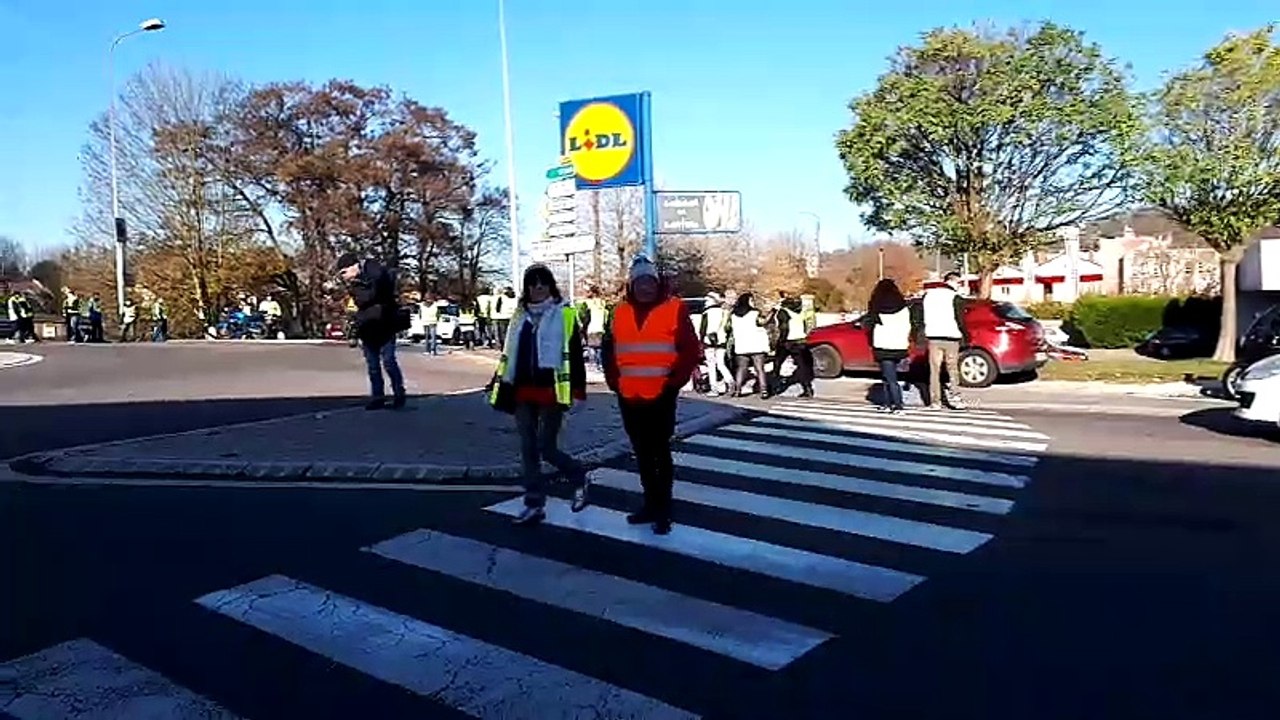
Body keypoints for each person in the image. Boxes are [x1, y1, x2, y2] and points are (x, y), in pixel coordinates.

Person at [603, 256, 701, 535]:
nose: (645, 287)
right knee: (642, 454)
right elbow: (609, 350)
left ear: (657, 283)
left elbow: (690, 350)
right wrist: (614, 380)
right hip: (629, 395)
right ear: (631, 285)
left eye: (649, 281)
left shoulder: (674, 308)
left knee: (659, 452)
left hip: (661, 394)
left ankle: (663, 509)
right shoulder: (619, 311)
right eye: (639, 282)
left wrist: (673, 383)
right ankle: (649, 504)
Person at [488, 264, 590, 525]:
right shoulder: (519, 316)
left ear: (550, 286)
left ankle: (578, 475)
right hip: (521, 389)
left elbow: (575, 356)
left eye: (543, 283)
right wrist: (496, 381)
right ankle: (534, 503)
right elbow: (509, 352)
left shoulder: (564, 314)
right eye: (532, 284)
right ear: (527, 288)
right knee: (528, 448)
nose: (538, 288)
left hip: (551, 390)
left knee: (547, 447)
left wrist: (579, 390)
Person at [335, 252, 406, 410]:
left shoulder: (374, 270)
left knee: (389, 361)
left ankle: (399, 393)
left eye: (344, 272)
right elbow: (364, 299)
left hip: (385, 324)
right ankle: (377, 397)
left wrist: (374, 283)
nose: (344, 277)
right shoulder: (354, 286)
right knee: (373, 365)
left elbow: (383, 282)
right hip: (367, 326)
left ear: (354, 266)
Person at [921, 271, 969, 410]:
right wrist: (965, 336)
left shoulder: (929, 295)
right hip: (951, 336)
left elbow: (920, 315)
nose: (959, 286)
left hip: (933, 336)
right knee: (952, 369)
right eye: (959, 282)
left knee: (934, 370)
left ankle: (935, 401)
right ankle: (955, 398)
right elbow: (960, 319)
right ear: (953, 281)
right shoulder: (955, 297)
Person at [866, 278, 913, 413]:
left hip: (882, 344)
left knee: (889, 377)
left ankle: (897, 404)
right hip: (898, 344)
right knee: (889, 376)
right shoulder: (903, 307)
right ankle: (888, 403)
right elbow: (907, 325)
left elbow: (869, 325)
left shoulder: (876, 306)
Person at [729, 292, 772, 398]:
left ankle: (737, 390)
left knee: (741, 368)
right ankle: (764, 390)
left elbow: (728, 328)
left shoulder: (733, 315)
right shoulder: (754, 313)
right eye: (751, 300)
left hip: (741, 344)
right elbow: (763, 322)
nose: (753, 302)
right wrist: (772, 312)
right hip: (756, 344)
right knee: (760, 369)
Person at [771, 295, 815, 398]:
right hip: (800, 340)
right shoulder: (800, 311)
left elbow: (784, 328)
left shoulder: (784, 312)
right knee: (801, 365)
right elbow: (807, 325)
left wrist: (780, 342)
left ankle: (772, 387)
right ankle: (807, 388)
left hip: (788, 341)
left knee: (777, 364)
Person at [698, 292, 734, 396]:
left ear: (713, 300)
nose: (705, 303)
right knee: (721, 364)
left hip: (710, 342)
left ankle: (714, 389)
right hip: (722, 341)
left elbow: (705, 329)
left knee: (711, 366)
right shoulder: (724, 311)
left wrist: (703, 340)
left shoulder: (708, 312)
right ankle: (731, 381)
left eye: (707, 300)